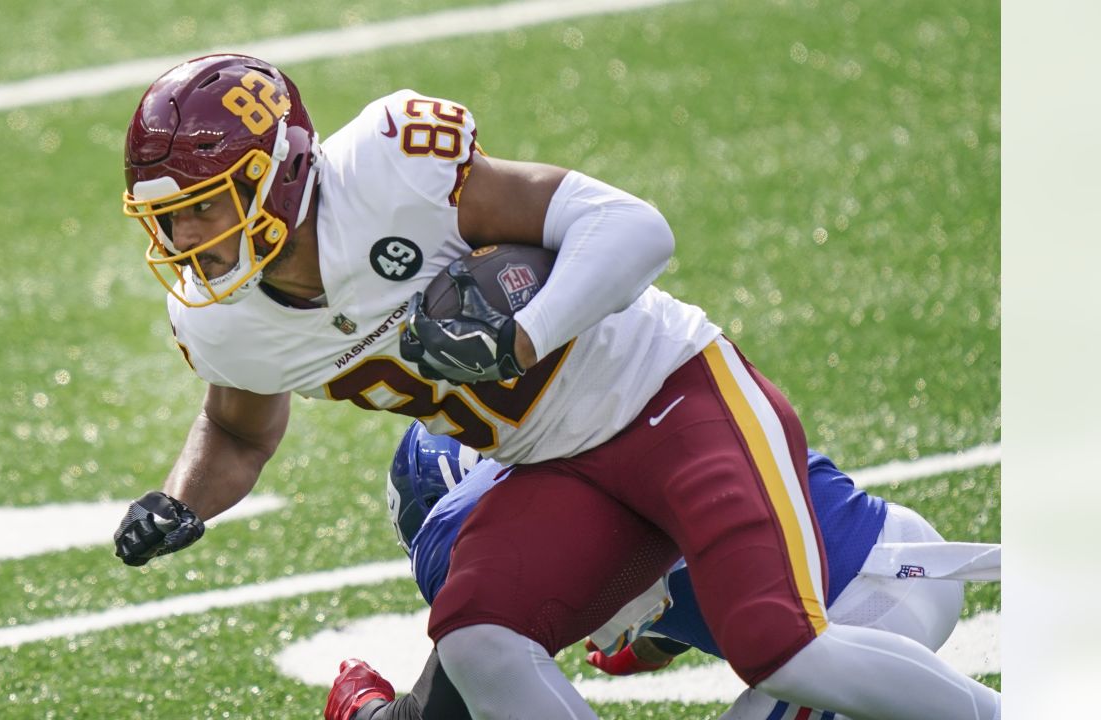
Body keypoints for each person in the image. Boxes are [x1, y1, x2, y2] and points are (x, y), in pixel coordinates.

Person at [110, 53, 1001, 719]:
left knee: (780, 645)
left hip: (666, 391)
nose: (188, 237)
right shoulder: (222, 321)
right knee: (477, 636)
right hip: (555, 463)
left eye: (204, 203)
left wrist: (523, 333)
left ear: (282, 173)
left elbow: (632, 227)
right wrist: (181, 498)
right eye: (167, 215)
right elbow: (236, 434)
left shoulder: (388, 173)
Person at [323, 422, 1001, 720]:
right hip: (899, 559)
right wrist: (663, 629)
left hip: (861, 611)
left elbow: (441, 713)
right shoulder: (593, 427)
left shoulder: (471, 527)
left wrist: (360, 707)